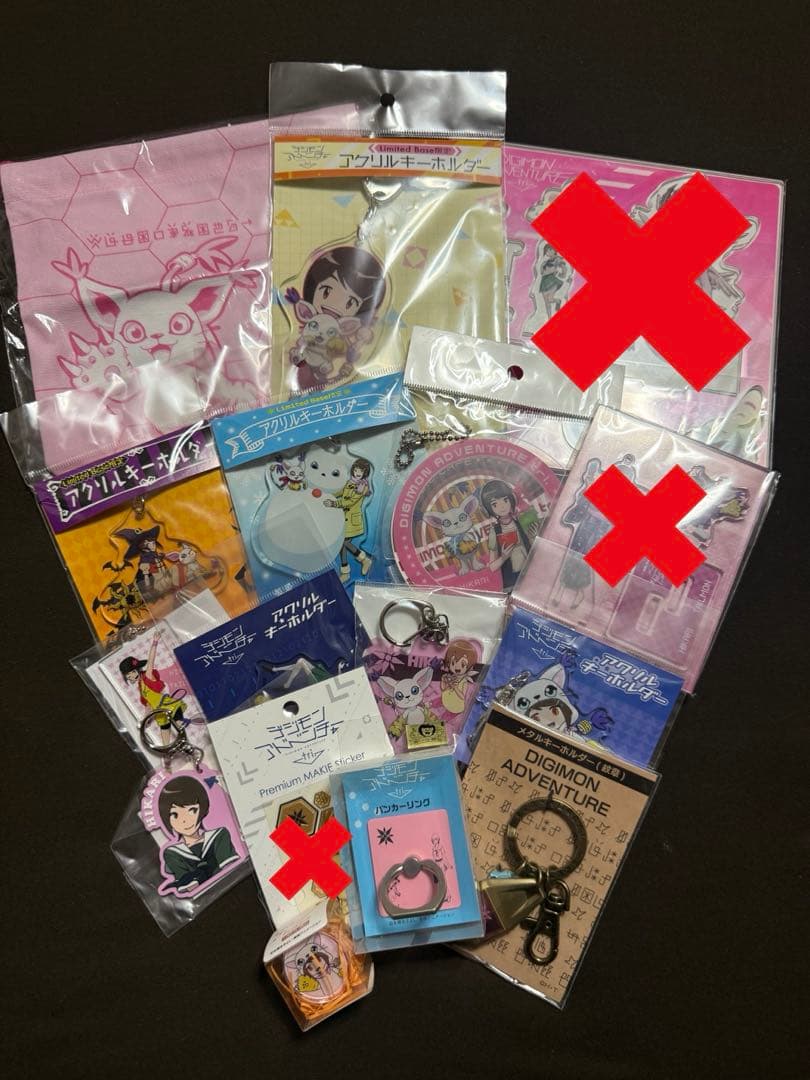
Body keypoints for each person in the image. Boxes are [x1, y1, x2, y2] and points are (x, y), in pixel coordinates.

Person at [157, 775, 240, 894]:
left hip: (233, 886)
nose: (184, 820)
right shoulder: (172, 853)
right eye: (175, 815)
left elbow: (231, 867)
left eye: (192, 810)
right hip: (203, 894)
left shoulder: (219, 835)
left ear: (202, 809)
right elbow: (185, 881)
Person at [119, 632, 186, 750]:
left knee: (180, 728)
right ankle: (167, 750)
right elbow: (148, 705)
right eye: (128, 676)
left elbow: (150, 661)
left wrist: (154, 643)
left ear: (137, 670)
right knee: (164, 730)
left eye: (131, 673)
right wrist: (145, 720)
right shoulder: (141, 687)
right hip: (159, 711)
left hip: (169, 706)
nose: (130, 677)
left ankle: (185, 745)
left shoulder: (147, 677)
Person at [481, 479, 537, 590]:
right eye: (495, 504)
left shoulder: (521, 522)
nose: (502, 507)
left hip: (532, 573)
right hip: (512, 582)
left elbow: (533, 550)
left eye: (505, 500)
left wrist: (534, 537)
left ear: (511, 500)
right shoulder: (495, 531)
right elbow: (492, 567)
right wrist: (504, 557)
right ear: (489, 509)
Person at [324, 457, 374, 582]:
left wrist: (334, 504)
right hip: (343, 519)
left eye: (360, 471)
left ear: (365, 473)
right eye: (356, 470)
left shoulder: (362, 487)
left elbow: (350, 502)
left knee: (342, 543)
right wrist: (327, 495)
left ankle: (363, 560)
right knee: (342, 545)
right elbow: (341, 492)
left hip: (352, 521)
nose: (357, 473)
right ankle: (347, 571)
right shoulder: (350, 482)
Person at [440, 640, 479, 714]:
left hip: (455, 707)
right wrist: (443, 681)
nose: (457, 668)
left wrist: (455, 688)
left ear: (469, 667)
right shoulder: (450, 677)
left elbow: (462, 697)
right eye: (453, 663)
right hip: (445, 701)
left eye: (463, 665)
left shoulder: (464, 682)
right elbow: (443, 689)